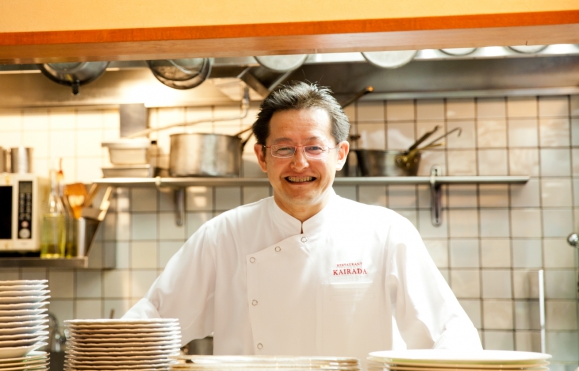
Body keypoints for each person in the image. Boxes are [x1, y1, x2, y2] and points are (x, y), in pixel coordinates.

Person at [123, 82, 482, 361]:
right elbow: (150, 323)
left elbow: (450, 333)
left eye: (314, 147)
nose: (299, 163)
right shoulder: (223, 235)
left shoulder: (386, 233)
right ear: (261, 157)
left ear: (340, 154)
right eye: (284, 148)